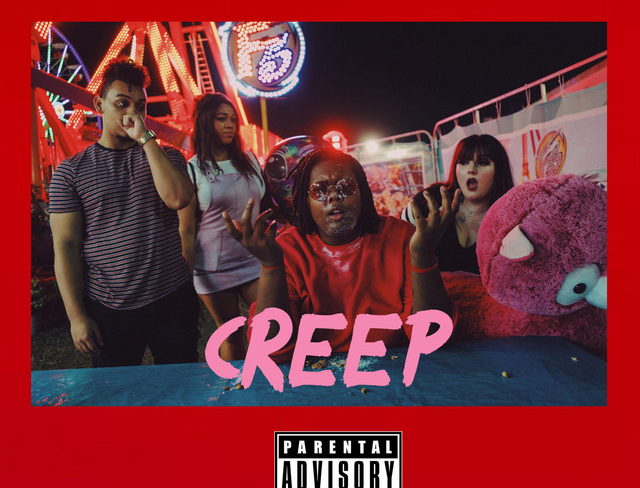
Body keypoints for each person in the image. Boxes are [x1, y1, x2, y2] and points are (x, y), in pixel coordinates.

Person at [223, 147, 459, 361]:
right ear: (305, 200)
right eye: (319, 190)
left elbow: (431, 337)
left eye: (346, 187)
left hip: (393, 369)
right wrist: (271, 265)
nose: (334, 196)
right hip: (315, 374)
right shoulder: (289, 248)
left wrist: (423, 257)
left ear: (363, 193)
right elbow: (270, 349)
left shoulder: (401, 237)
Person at [49, 57, 199, 367]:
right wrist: (77, 317)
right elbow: (66, 246)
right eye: (121, 103)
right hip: (109, 305)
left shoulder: (167, 156)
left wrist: (145, 138)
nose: (132, 113)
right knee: (114, 390)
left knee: (182, 384)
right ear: (98, 104)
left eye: (140, 106)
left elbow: (178, 198)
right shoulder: (70, 172)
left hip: (172, 297)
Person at [179, 93, 265, 361]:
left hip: (254, 260)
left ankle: (268, 382)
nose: (230, 125)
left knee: (270, 326)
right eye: (221, 119)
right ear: (205, 122)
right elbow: (186, 229)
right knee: (232, 334)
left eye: (233, 119)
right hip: (213, 268)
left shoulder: (250, 161)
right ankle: (233, 384)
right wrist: (186, 281)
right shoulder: (192, 169)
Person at [402, 134, 514, 273]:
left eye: (483, 162)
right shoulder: (430, 200)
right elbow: (395, 246)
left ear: (499, 171)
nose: (471, 169)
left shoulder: (510, 219)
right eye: (463, 162)